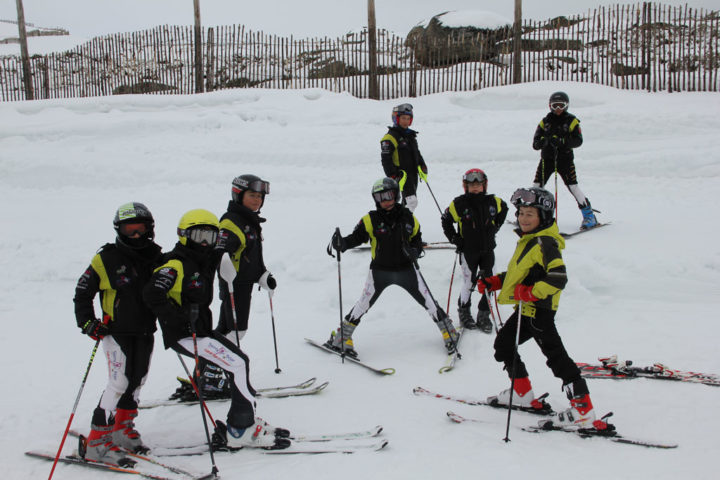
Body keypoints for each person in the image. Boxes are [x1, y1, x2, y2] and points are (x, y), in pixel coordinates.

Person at [143, 209, 287, 449]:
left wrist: (258, 274)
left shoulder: (203, 259)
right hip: (185, 334)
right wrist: (179, 318)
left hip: (200, 331)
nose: (203, 242)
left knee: (240, 360)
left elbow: (230, 256)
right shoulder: (176, 264)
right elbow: (152, 294)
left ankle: (243, 421)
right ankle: (241, 429)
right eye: (198, 235)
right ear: (184, 235)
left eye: (210, 237)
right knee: (237, 364)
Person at [477, 187, 603, 429]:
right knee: (503, 345)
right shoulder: (529, 240)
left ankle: (583, 410)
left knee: (556, 358)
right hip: (525, 311)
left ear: (542, 217)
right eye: (521, 213)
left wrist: (529, 293)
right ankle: (522, 393)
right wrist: (497, 281)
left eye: (530, 214)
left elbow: (558, 278)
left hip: (540, 313)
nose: (523, 219)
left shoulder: (546, 243)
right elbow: (520, 274)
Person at [169, 175, 275, 401]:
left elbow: (250, 257)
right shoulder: (231, 223)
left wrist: (262, 275)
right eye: (252, 195)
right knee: (235, 331)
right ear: (238, 195)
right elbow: (215, 253)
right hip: (233, 285)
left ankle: (206, 373)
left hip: (243, 283)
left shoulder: (248, 222)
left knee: (227, 330)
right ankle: (212, 377)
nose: (257, 200)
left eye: (259, 196)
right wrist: (223, 267)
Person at [324, 177, 459, 357]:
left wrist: (415, 250)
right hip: (380, 271)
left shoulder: (408, 218)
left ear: (395, 195)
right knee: (363, 304)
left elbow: (417, 239)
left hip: (407, 270)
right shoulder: (370, 219)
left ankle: (449, 332)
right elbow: (356, 238)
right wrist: (342, 243)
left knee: (429, 302)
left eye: (388, 195)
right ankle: (342, 338)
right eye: (380, 197)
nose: (385, 200)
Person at [73, 202, 162, 465]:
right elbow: (82, 293)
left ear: (149, 230)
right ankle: (97, 440)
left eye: (140, 229)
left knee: (138, 380)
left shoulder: (157, 256)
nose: (135, 235)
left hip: (145, 329)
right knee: (119, 383)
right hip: (117, 332)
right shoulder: (107, 258)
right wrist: (88, 322)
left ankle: (122, 428)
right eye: (129, 230)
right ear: (119, 231)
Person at [441, 168, 508, 333]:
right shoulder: (459, 204)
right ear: (465, 186)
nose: (476, 188)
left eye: (479, 184)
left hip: (488, 250)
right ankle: (464, 311)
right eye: (472, 185)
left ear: (484, 185)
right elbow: (446, 220)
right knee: (469, 282)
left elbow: (504, 209)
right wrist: (455, 239)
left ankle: (484, 314)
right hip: (468, 251)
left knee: (490, 282)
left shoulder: (494, 202)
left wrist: (495, 227)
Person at [532, 91, 598, 229]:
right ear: (550, 106)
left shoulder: (572, 121)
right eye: (555, 105)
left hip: (565, 160)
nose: (557, 109)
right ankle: (531, 215)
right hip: (547, 160)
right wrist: (542, 142)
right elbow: (535, 143)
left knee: (573, 186)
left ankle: (589, 215)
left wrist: (562, 141)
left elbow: (578, 141)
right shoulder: (545, 122)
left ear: (566, 106)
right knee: (537, 187)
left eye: (561, 105)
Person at [380, 103, 428, 213]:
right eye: (403, 118)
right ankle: (404, 224)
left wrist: (422, 165)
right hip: (400, 175)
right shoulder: (390, 137)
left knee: (408, 202)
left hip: (412, 175)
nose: (406, 121)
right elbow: (386, 159)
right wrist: (393, 175)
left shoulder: (410, 135)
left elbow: (416, 152)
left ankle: (404, 224)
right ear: (396, 119)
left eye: (408, 119)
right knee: (411, 202)